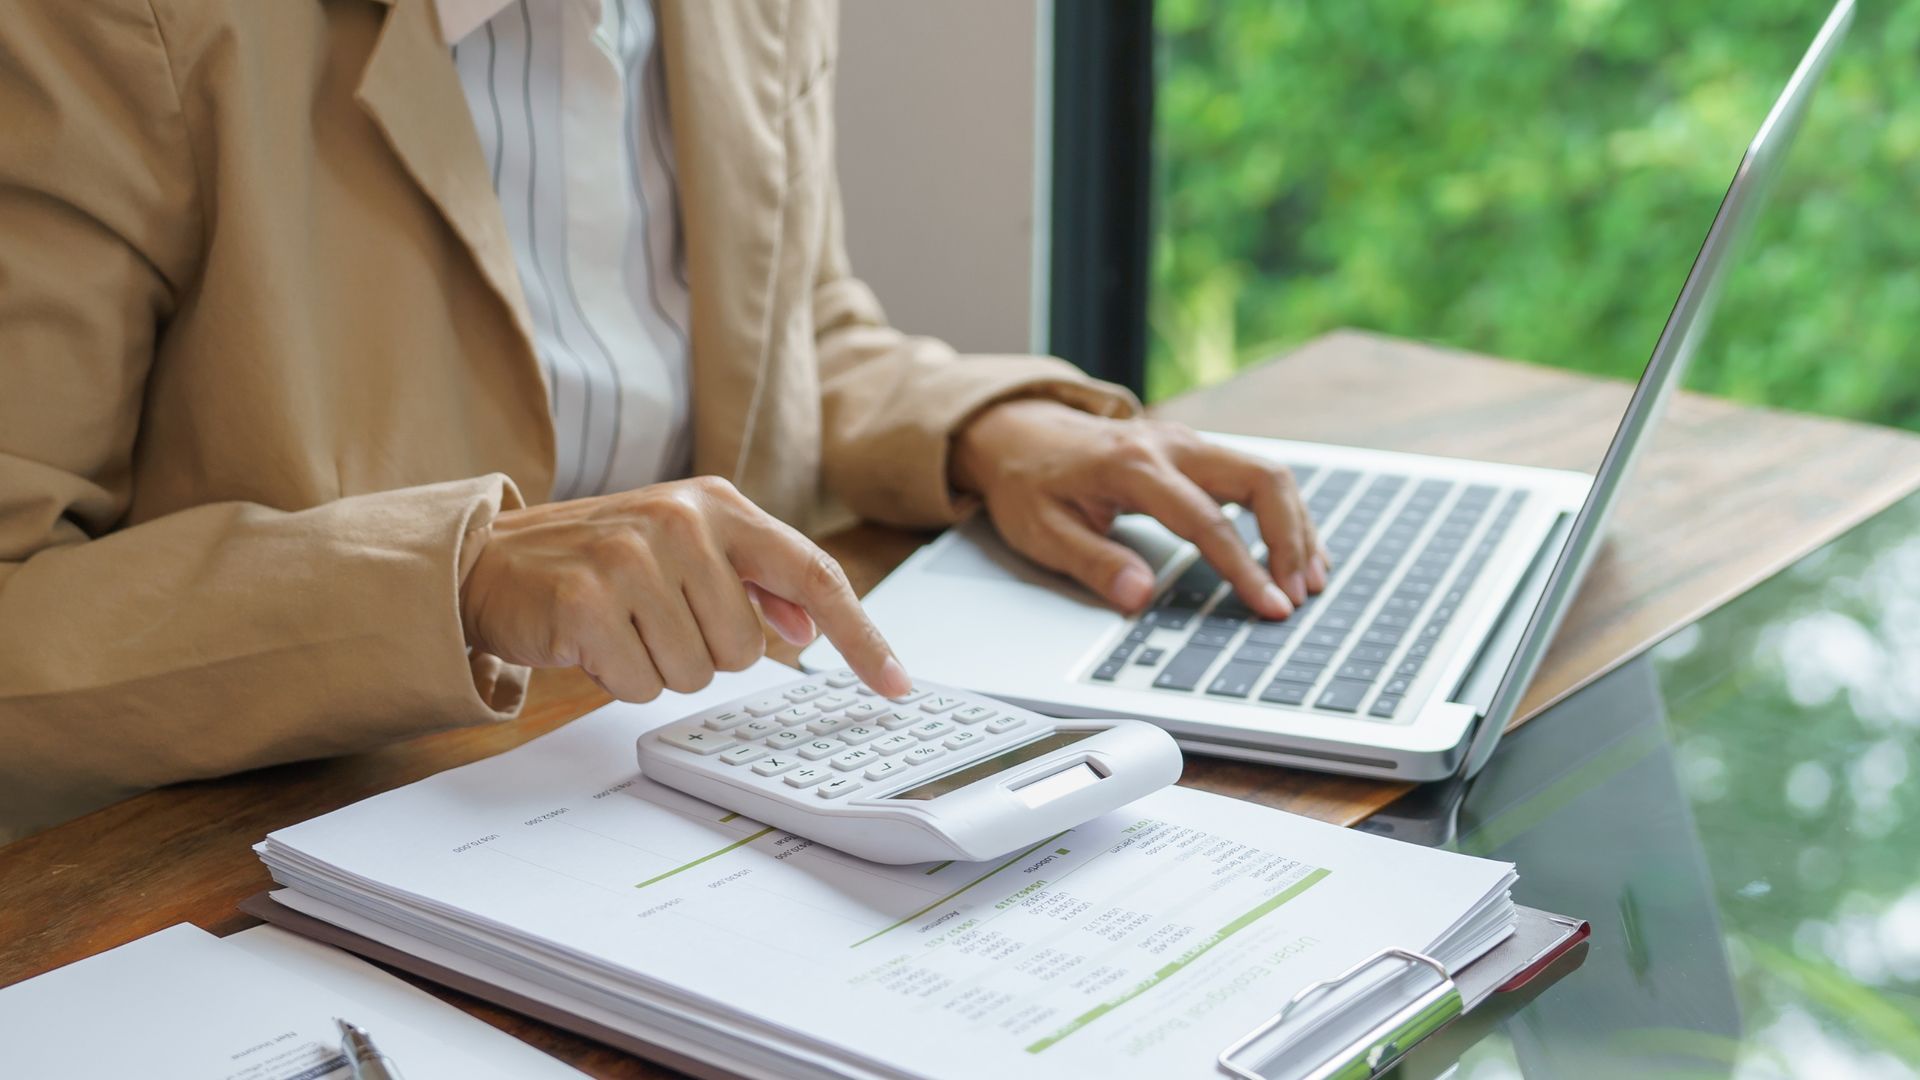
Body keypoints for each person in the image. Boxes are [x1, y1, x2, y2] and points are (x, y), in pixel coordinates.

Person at [0, 0, 1325, 833]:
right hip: (287, 837)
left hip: (680, 782)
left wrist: (988, 428)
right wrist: (454, 580)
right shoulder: (107, 26)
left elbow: (788, 327)